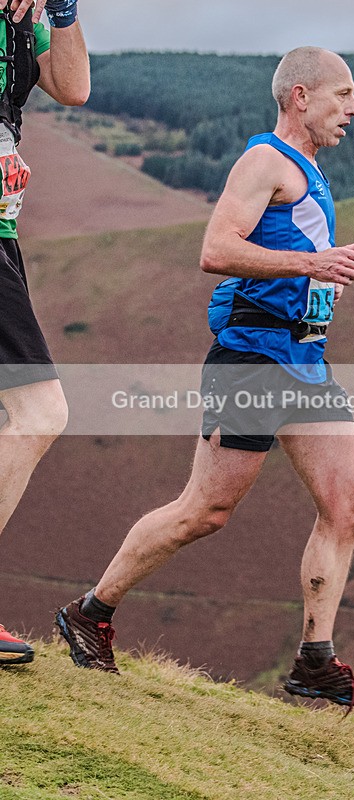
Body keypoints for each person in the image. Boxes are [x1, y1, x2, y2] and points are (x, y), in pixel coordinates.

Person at [56, 46, 354, 710]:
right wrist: (313, 266)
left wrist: (317, 280)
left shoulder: (308, 169)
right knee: (205, 511)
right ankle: (90, 613)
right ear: (299, 95)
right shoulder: (265, 160)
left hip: (302, 361)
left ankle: (314, 661)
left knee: (349, 507)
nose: (353, 109)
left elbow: (293, 258)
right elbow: (216, 249)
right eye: (342, 94)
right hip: (251, 361)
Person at [0, 0, 89, 665]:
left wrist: (63, 12)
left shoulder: (24, 19)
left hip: (4, 235)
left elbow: (74, 86)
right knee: (38, 409)